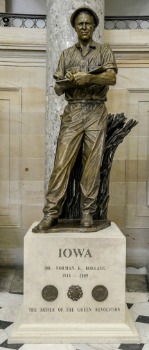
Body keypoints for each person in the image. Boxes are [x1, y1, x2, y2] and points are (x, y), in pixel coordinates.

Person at [32, 6, 118, 233]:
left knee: (92, 164)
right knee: (61, 163)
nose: (84, 27)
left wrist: (89, 77)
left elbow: (111, 77)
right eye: (80, 23)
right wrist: (73, 81)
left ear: (94, 27)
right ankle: (51, 213)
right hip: (73, 111)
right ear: (74, 27)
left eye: (88, 23)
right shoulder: (66, 55)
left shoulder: (104, 51)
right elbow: (58, 88)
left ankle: (88, 213)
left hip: (96, 111)